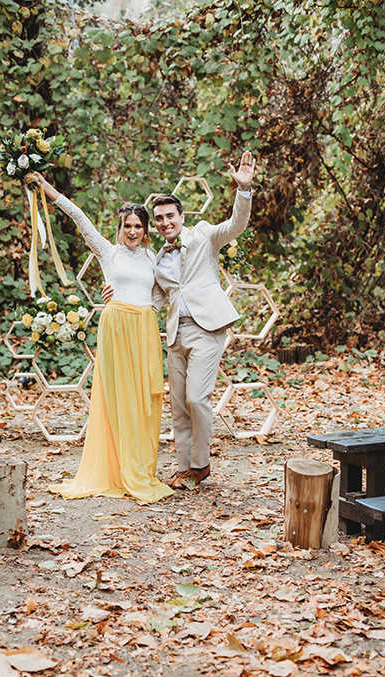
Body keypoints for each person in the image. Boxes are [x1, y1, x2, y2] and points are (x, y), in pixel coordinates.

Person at [103, 151, 254, 490]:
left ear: (181, 216)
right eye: (158, 218)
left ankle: (201, 464)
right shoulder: (156, 258)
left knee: (198, 398)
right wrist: (117, 301)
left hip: (207, 329)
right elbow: (153, 299)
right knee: (179, 404)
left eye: (170, 215)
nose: (164, 222)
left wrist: (243, 191)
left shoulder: (203, 236)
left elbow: (235, 226)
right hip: (175, 334)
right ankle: (185, 467)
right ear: (154, 224)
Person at [26, 171, 174, 503]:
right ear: (119, 228)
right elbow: (78, 217)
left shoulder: (154, 258)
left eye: (138, 226)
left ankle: (140, 467)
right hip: (117, 325)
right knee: (118, 397)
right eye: (127, 226)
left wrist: (149, 307)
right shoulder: (108, 252)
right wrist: (46, 187)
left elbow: (163, 293)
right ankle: (117, 468)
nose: (133, 231)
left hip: (145, 328)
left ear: (146, 230)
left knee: (145, 400)